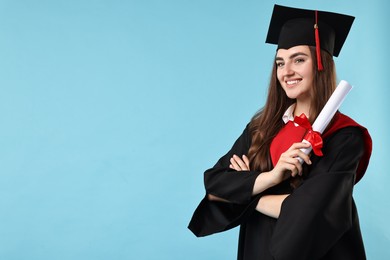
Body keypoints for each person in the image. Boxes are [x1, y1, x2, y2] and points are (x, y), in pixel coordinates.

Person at [188, 4, 372, 260]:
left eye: (299, 59)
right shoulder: (261, 128)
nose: (286, 72)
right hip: (257, 249)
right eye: (280, 62)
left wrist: (247, 194)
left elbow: (309, 214)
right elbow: (215, 185)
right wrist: (272, 178)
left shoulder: (345, 137)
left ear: (321, 64)